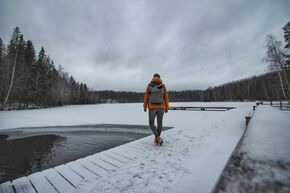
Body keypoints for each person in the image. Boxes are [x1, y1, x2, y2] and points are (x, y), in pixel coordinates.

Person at [143, 73, 169, 145]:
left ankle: (157, 137)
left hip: (152, 107)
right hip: (161, 107)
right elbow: (166, 97)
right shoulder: (163, 86)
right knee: (159, 123)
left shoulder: (149, 86)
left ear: (153, 77)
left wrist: (144, 106)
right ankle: (157, 138)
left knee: (151, 123)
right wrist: (166, 107)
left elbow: (146, 97)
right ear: (159, 78)